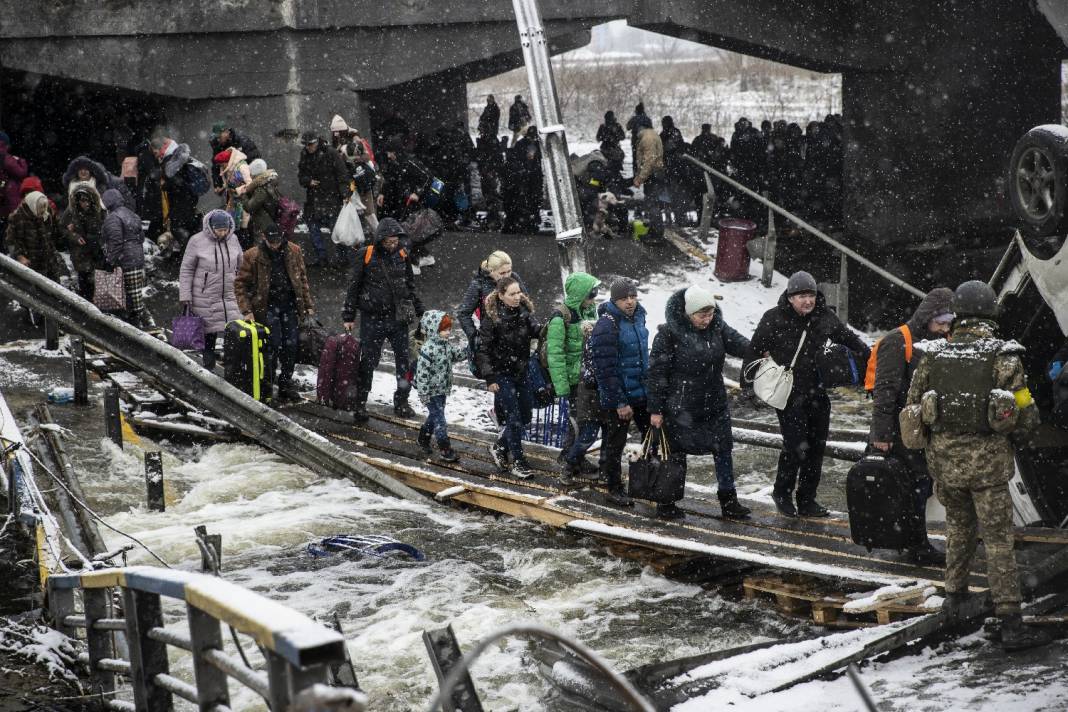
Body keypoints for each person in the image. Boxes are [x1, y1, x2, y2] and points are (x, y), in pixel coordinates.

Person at [905, 280, 1049, 652]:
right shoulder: (1005, 359)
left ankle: (954, 597)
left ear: (957, 314)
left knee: (958, 529)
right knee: (999, 540)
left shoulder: (932, 356)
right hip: (988, 469)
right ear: (990, 313)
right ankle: (1011, 620)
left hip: (945, 465)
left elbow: (913, 407)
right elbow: (1027, 415)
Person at [745, 271, 871, 518]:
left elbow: (851, 340)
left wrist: (874, 361)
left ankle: (807, 500)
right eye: (802, 296)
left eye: (811, 295)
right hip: (788, 393)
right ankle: (782, 492)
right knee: (795, 447)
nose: (808, 301)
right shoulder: (774, 318)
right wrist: (748, 387)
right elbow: (754, 350)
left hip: (817, 392)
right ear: (790, 298)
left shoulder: (825, 317)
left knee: (816, 448)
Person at [867, 287, 955, 565]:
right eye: (940, 323)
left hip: (922, 428)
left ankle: (909, 540)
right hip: (898, 428)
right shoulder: (898, 341)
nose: (944, 329)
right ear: (927, 317)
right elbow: (884, 390)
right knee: (912, 487)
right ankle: (915, 544)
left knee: (921, 486)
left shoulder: (937, 342)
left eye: (947, 324)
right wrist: (881, 434)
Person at [648, 286, 752, 520]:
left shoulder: (718, 327)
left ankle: (729, 502)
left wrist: (760, 351)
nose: (707, 320)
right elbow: (657, 373)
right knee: (674, 454)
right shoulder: (668, 334)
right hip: (681, 406)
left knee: (724, 450)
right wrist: (655, 409)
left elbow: (740, 344)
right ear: (687, 313)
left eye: (710, 314)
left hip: (714, 404)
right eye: (701, 315)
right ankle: (667, 503)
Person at [341, 218, 424, 421]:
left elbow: (409, 285)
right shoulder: (366, 254)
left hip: (398, 319)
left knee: (403, 361)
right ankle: (360, 403)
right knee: (368, 361)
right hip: (373, 319)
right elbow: (354, 286)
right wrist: (349, 315)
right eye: (389, 241)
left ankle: (402, 401)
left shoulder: (403, 255)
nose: (393, 245)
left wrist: (420, 308)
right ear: (380, 239)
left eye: (395, 241)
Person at [586, 279, 652, 505]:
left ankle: (646, 482)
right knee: (615, 442)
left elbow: (642, 356)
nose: (630, 302)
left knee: (652, 436)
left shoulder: (639, 316)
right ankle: (614, 487)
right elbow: (605, 369)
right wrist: (620, 402)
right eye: (625, 298)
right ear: (615, 300)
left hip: (642, 391)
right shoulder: (607, 325)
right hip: (620, 396)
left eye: (633, 297)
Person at [234, 223, 314, 402]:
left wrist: (308, 304)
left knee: (291, 345)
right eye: (272, 242)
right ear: (264, 238)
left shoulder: (293, 250)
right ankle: (267, 385)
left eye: (278, 241)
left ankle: (285, 383)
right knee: (272, 345)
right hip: (266, 306)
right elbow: (240, 284)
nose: (275, 245)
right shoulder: (252, 255)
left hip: (289, 305)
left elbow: (301, 278)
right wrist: (247, 310)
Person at [475, 276, 541, 478]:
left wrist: (552, 327)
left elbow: (536, 331)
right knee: (513, 418)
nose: (517, 296)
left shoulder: (523, 312)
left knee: (526, 416)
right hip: (501, 375)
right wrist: (490, 378)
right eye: (512, 294)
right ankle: (519, 462)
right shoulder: (492, 318)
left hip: (521, 371)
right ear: (501, 295)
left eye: (518, 292)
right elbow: (482, 349)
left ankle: (500, 447)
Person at [545, 272, 602, 463]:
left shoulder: (589, 312)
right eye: (591, 294)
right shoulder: (560, 318)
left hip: (586, 377)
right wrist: (562, 387)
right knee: (578, 420)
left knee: (583, 420)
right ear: (580, 294)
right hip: (572, 380)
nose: (594, 298)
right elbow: (555, 355)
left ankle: (571, 456)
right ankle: (571, 459)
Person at [179, 210, 243, 370]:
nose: (223, 233)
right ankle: (208, 367)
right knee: (209, 334)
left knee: (234, 331)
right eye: (219, 230)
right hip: (205, 296)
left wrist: (244, 287)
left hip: (230, 294)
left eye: (225, 230)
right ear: (211, 227)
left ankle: (232, 368)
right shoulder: (196, 241)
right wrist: (185, 295)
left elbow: (241, 265)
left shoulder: (233, 239)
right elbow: (186, 269)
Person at [414, 310, 468, 462]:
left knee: (435, 416)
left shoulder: (446, 345)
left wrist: (469, 351)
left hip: (442, 389)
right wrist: (424, 394)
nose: (448, 332)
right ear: (433, 330)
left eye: (449, 329)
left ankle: (423, 438)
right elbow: (422, 374)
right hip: (430, 392)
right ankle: (445, 449)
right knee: (440, 421)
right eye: (444, 330)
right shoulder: (428, 349)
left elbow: (456, 355)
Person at [457, 250, 527, 357]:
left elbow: (525, 303)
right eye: (502, 273)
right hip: (492, 340)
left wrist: (526, 326)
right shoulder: (479, 285)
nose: (507, 276)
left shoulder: (514, 277)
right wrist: (474, 337)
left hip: (515, 338)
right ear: (491, 271)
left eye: (509, 271)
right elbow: (463, 313)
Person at [101, 188, 153, 329]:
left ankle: (138, 326)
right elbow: (141, 237)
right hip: (137, 259)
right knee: (135, 295)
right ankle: (143, 323)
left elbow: (116, 242)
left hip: (125, 261)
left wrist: (110, 261)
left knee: (128, 297)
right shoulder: (132, 214)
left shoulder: (113, 218)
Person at [297, 131, 351, 266]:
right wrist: (308, 181)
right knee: (313, 228)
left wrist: (345, 194)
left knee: (336, 229)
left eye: (311, 144)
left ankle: (342, 258)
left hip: (331, 196)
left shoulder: (330, 153)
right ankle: (322, 257)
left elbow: (342, 174)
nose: (309, 147)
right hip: (313, 198)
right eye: (307, 145)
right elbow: (301, 176)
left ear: (317, 142)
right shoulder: (304, 155)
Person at [60, 183, 105, 299]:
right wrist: (74, 236)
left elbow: (104, 227)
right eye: (82, 201)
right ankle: (86, 304)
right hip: (80, 252)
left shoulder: (98, 211)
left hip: (95, 250)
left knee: (97, 279)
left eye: (87, 201)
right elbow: (62, 228)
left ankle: (98, 304)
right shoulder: (71, 211)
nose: (85, 204)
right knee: (84, 279)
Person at [5, 190, 61, 281]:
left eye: (44, 207)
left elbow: (57, 228)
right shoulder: (18, 217)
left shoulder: (47, 213)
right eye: (40, 207)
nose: (43, 210)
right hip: (30, 260)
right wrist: (20, 256)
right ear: (33, 205)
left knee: (54, 285)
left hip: (48, 258)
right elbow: (12, 241)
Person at [632, 115, 665, 240]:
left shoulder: (647, 138)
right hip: (654, 175)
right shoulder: (650, 135)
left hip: (653, 176)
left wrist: (640, 178)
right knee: (652, 203)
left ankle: (656, 234)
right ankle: (653, 231)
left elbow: (649, 161)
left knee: (652, 204)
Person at [209, 123, 261, 194]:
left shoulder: (242, 141)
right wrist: (217, 184)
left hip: (252, 177)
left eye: (219, 137)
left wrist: (240, 168)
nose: (218, 140)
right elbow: (216, 167)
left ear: (226, 132)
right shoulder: (218, 148)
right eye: (217, 138)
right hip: (236, 186)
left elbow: (255, 156)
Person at [0, 132, 29, 250]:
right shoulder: (5, 157)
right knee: (9, 226)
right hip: (8, 197)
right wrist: (21, 161)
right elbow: (21, 172)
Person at [240, 159, 283, 237]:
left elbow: (249, 207)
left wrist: (244, 195)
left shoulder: (261, 188)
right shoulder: (270, 181)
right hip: (272, 218)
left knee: (262, 244)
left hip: (264, 223)